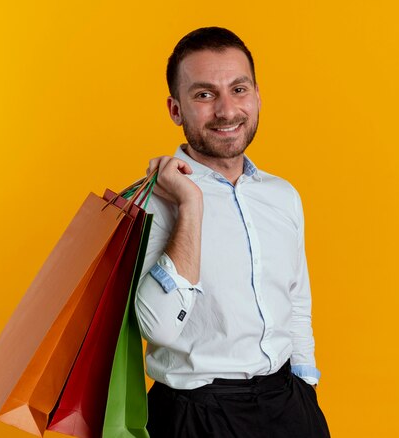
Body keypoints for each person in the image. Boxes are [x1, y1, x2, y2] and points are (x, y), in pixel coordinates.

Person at [135, 27, 330, 438]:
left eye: (238, 89)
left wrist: (306, 386)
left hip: (288, 406)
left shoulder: (282, 196)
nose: (227, 110)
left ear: (257, 96)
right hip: (195, 415)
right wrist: (190, 206)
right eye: (204, 95)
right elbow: (159, 328)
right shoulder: (150, 202)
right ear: (175, 109)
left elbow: (295, 300)